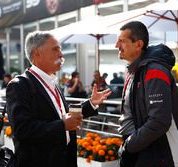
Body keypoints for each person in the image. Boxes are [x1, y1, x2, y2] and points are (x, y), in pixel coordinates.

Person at [6, 31, 111, 167]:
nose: (61, 55)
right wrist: (62, 126)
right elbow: (22, 130)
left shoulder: (51, 82)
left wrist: (91, 104)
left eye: (60, 49)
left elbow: (62, 115)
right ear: (37, 53)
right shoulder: (19, 85)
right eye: (55, 49)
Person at [115, 21, 178, 167]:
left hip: (163, 154)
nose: (116, 45)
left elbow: (159, 121)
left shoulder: (154, 71)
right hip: (142, 149)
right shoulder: (134, 70)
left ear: (138, 44)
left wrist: (130, 145)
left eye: (121, 41)